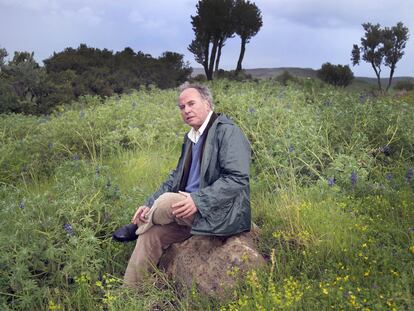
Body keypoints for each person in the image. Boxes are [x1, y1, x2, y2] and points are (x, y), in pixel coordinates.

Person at [120, 82, 251, 287]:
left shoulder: (228, 132)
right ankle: (128, 295)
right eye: (182, 107)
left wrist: (199, 200)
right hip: (188, 213)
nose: (186, 110)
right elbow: (175, 178)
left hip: (216, 212)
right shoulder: (190, 138)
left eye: (191, 103)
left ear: (207, 103)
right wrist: (148, 203)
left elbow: (238, 178)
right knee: (150, 236)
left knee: (166, 201)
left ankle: (135, 225)